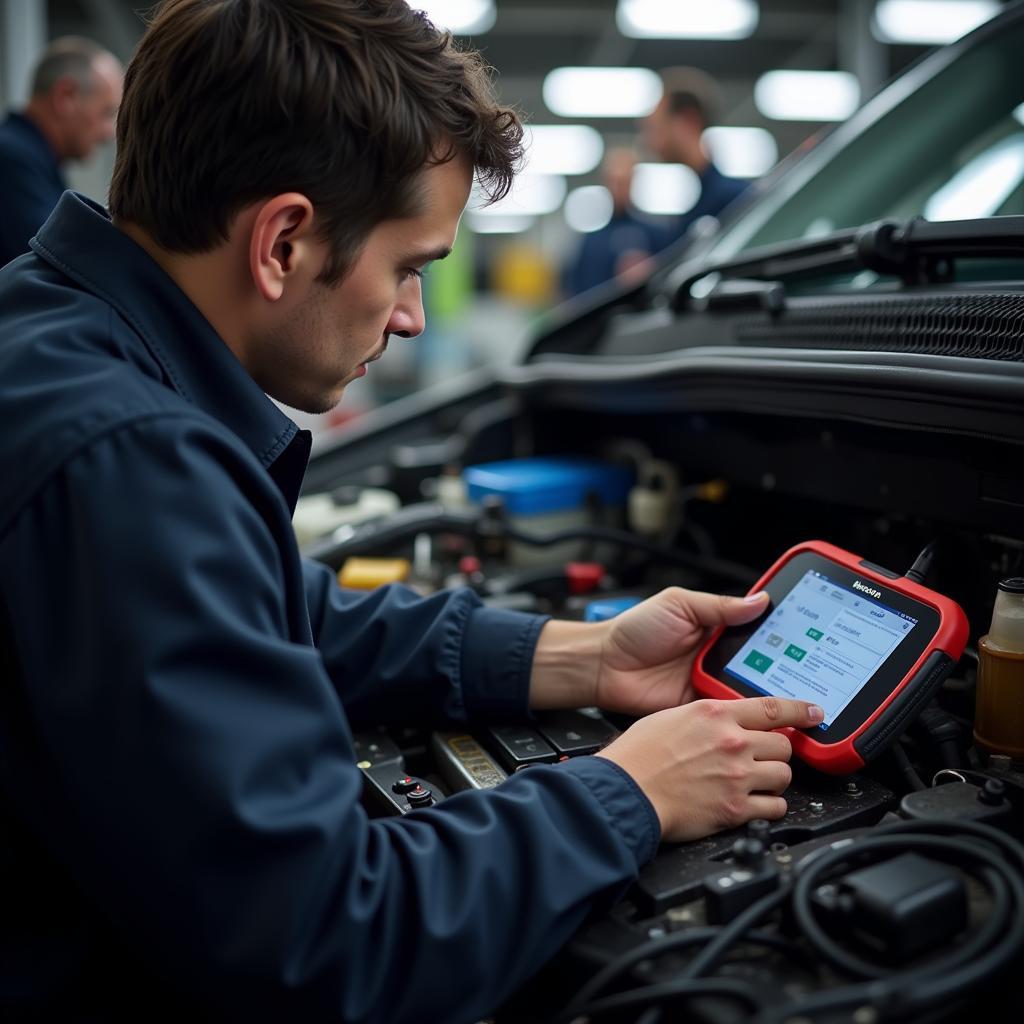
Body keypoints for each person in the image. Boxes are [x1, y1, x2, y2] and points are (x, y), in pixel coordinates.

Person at [0, 2, 822, 1021]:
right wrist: (630, 790)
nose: (411, 317)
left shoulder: (50, 332)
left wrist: (584, 656)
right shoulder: (132, 459)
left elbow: (274, 612)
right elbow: (331, 942)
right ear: (285, 242)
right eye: (407, 268)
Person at [0, 36, 123, 267]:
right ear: (65, 96)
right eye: (106, 112)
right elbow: (56, 262)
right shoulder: (12, 160)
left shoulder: (26, 158)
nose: (109, 133)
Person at [644, 65, 751, 245]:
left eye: (657, 128)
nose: (650, 142)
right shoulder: (696, 203)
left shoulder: (733, 200)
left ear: (688, 120)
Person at [565, 146, 672, 297]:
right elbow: (579, 293)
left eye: (623, 181)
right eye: (613, 181)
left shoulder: (657, 236)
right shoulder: (591, 243)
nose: (617, 188)